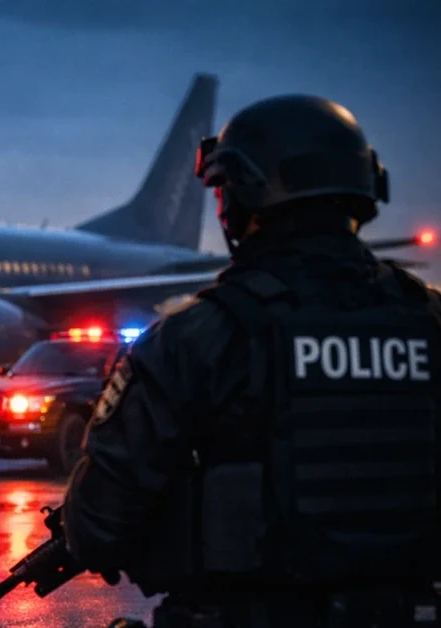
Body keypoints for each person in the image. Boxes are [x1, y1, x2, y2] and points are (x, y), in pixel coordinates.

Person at [61, 94, 440, 627]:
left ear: (243, 195)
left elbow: (97, 528)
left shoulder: (197, 337)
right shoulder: (428, 321)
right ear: (364, 189)